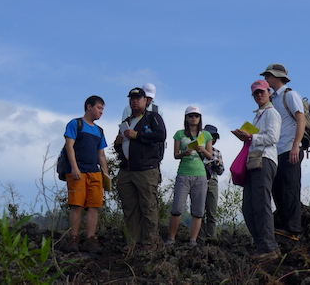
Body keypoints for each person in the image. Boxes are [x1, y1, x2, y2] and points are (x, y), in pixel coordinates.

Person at [232, 79, 282, 261]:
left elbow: (273, 137)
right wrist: (247, 137)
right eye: (256, 93)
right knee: (249, 207)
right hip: (254, 161)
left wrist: (251, 136)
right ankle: (267, 245)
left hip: (265, 160)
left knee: (261, 205)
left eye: (262, 92)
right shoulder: (259, 115)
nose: (259, 95)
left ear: (269, 92)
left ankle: (267, 247)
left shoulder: (272, 113)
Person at [114, 87, 167, 251]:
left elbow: (160, 135)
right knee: (130, 207)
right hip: (126, 169)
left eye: (138, 98)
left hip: (146, 169)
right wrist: (117, 143)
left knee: (148, 205)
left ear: (146, 101)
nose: (134, 101)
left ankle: (150, 241)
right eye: (132, 99)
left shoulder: (153, 117)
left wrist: (137, 135)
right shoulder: (127, 122)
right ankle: (133, 241)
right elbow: (122, 146)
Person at [260, 63, 305, 240]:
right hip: (275, 152)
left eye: (268, 76)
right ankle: (285, 226)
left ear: (277, 77)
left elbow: (300, 120)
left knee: (291, 188)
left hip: (289, 148)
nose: (266, 79)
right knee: (277, 188)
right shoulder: (273, 99)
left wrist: (296, 145)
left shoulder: (290, 95)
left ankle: (294, 229)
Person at [63, 95, 109, 253]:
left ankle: (90, 240)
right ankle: (73, 239)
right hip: (78, 171)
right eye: (98, 107)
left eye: (102, 109)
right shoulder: (76, 124)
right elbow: (69, 146)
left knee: (94, 206)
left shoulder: (99, 131)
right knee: (76, 205)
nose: (100, 111)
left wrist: (106, 176)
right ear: (89, 107)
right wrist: (74, 168)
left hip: (94, 172)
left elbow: (101, 155)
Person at [165, 106, 213, 247]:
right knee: (177, 208)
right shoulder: (179, 134)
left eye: (196, 116)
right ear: (186, 118)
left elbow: (209, 155)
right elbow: (175, 155)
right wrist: (183, 153)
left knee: (198, 211)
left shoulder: (206, 135)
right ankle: (171, 238)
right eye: (191, 116)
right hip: (184, 173)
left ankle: (193, 240)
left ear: (200, 118)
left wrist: (202, 149)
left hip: (200, 175)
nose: (194, 118)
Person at [199, 124, 225, 243]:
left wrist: (217, 165)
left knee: (211, 212)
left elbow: (221, 171)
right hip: (199, 180)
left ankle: (211, 238)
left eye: (213, 137)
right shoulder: (198, 150)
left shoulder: (217, 153)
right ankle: (199, 238)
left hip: (212, 182)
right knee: (198, 212)